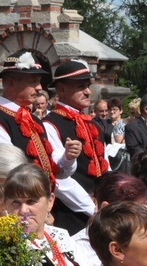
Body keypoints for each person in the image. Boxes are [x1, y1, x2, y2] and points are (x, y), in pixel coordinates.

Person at [0, 50, 80, 187]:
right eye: (33, 82)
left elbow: (54, 169)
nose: (39, 88)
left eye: (39, 82)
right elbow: (2, 174)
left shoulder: (33, 120)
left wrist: (67, 157)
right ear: (11, 82)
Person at [3, 164, 91, 266]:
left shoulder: (61, 238)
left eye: (31, 201)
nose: (23, 211)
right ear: (5, 204)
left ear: (50, 202)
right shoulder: (2, 247)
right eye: (15, 202)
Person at [43, 60, 108, 233]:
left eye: (88, 86)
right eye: (81, 86)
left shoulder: (95, 125)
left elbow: (104, 165)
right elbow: (58, 178)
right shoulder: (50, 125)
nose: (88, 92)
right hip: (70, 214)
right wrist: (91, 208)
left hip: (103, 210)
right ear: (62, 89)